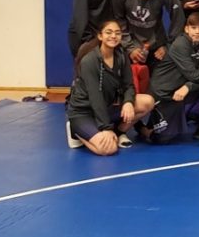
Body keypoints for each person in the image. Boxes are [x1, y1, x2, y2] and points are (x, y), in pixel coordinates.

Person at [66, 20, 155, 155]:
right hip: (84, 112)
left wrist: (128, 102)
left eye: (117, 33)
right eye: (109, 32)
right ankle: (75, 131)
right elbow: (95, 97)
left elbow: (129, 85)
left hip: (108, 107)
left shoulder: (121, 55)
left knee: (147, 101)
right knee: (109, 149)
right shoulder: (89, 61)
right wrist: (106, 128)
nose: (113, 36)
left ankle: (117, 133)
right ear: (100, 36)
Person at [146, 12, 199, 150]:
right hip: (164, 93)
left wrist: (188, 87)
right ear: (187, 29)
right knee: (162, 139)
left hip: (182, 89)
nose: (197, 32)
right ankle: (143, 129)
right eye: (194, 28)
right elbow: (194, 75)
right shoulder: (180, 44)